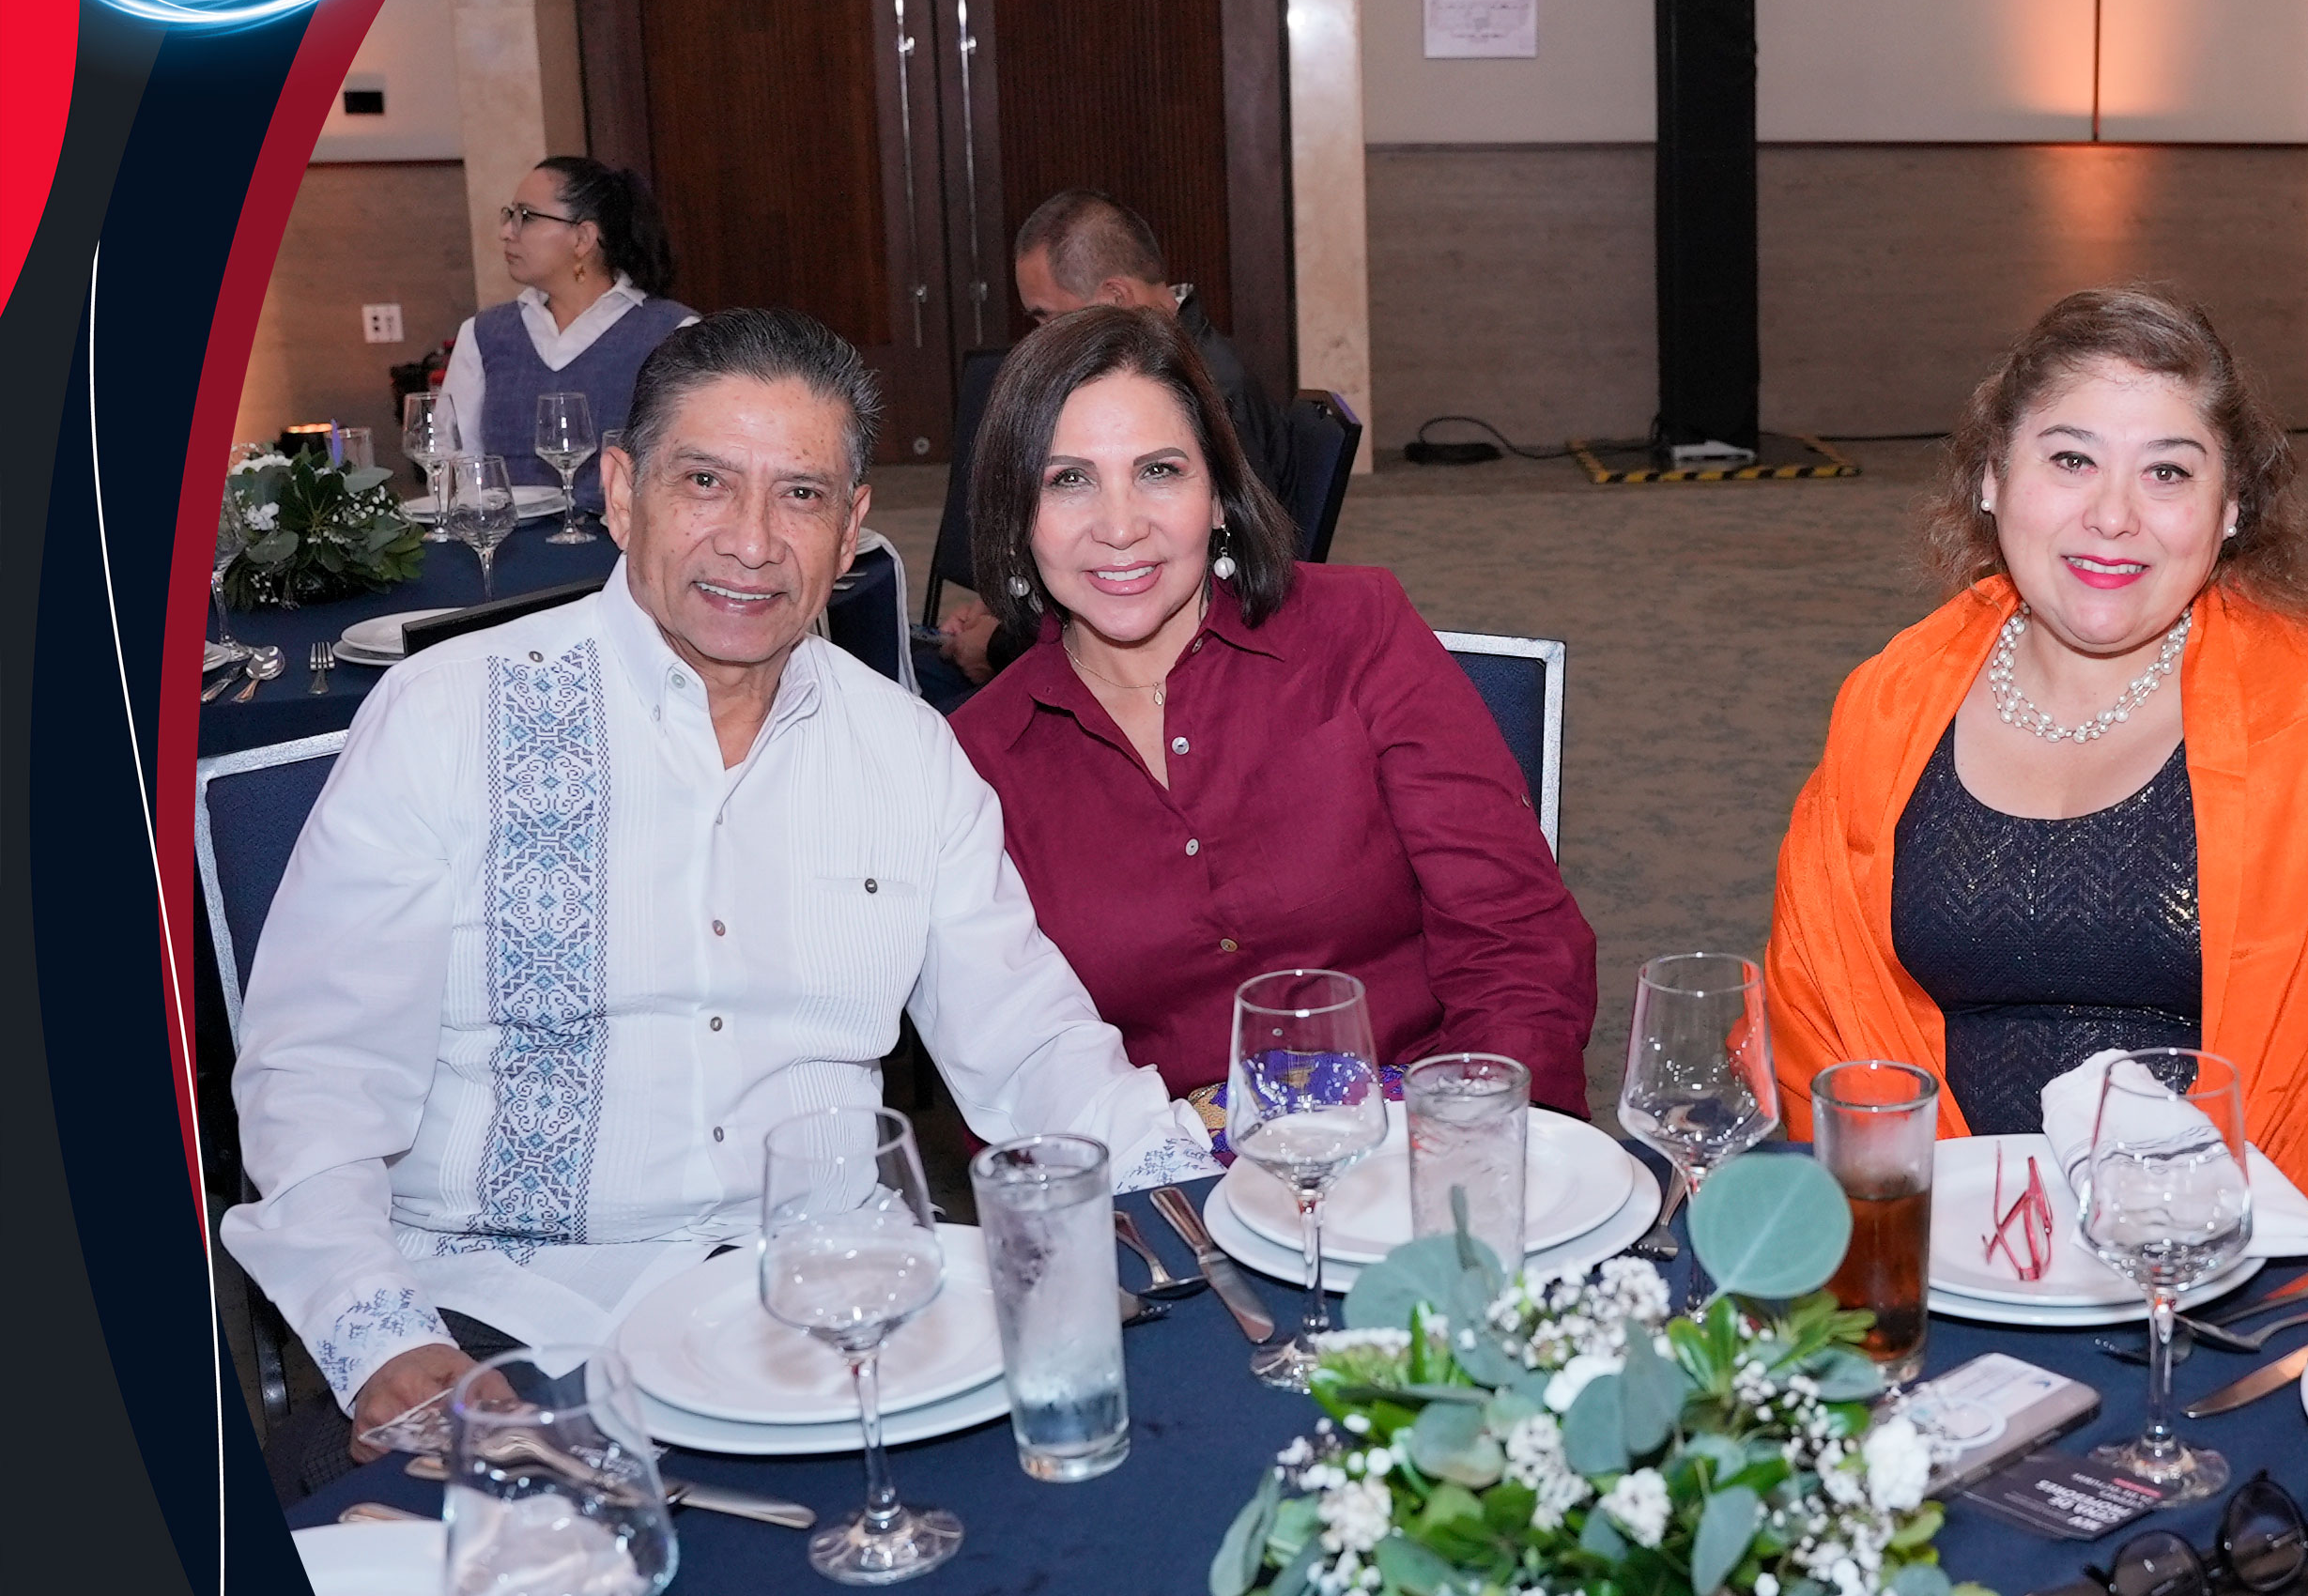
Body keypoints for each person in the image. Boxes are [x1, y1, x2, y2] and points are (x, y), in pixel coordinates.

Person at [225, 309, 1195, 1446]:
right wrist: (382, 1336)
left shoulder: (907, 753)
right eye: (704, 482)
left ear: (851, 532)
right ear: (620, 493)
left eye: (801, 495)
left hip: (832, 1301)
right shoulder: (448, 719)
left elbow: (1029, 1044)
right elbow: (319, 1080)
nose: (751, 541)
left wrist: (1200, 1183)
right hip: (506, 1316)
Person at [1765, 288, 2308, 1240]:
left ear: (2229, 508)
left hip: (2229, 1261)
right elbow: (1817, 1030)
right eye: (2071, 460)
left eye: (2167, 472)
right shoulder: (1889, 704)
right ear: (1993, 477)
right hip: (1929, 1240)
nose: (2113, 516)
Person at [948, 305, 1596, 1116]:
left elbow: (1516, 944)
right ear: (1017, 516)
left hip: (1428, 1136)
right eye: (1068, 479)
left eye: (1159, 471)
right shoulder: (976, 759)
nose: (1120, 527)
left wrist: (1473, 1149)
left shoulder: (1357, 630)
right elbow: (1013, 1072)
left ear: (1220, 496)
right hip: (1169, 1170)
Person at [936, 190, 1292, 686]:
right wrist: (1011, 602)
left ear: (1114, 300)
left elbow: (1224, 584)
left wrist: (998, 644)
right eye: (1070, 479)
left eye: (1044, 316)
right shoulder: (1156, 367)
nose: (1036, 337)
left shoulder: (1210, 393)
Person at [438, 158, 694, 502]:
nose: (506, 231)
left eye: (526, 216)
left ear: (582, 238)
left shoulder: (674, 333)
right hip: (507, 536)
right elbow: (452, 459)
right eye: (509, 214)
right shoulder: (483, 334)